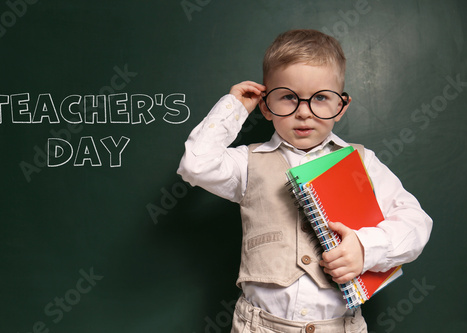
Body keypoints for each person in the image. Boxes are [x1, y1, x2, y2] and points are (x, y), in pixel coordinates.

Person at [177, 29, 432, 333]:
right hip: (260, 326)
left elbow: (416, 223)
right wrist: (233, 108)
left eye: (321, 98)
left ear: (342, 106)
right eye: (287, 97)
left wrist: (366, 248)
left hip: (339, 326)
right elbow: (196, 165)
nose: (303, 113)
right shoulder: (248, 162)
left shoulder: (361, 162)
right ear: (266, 105)